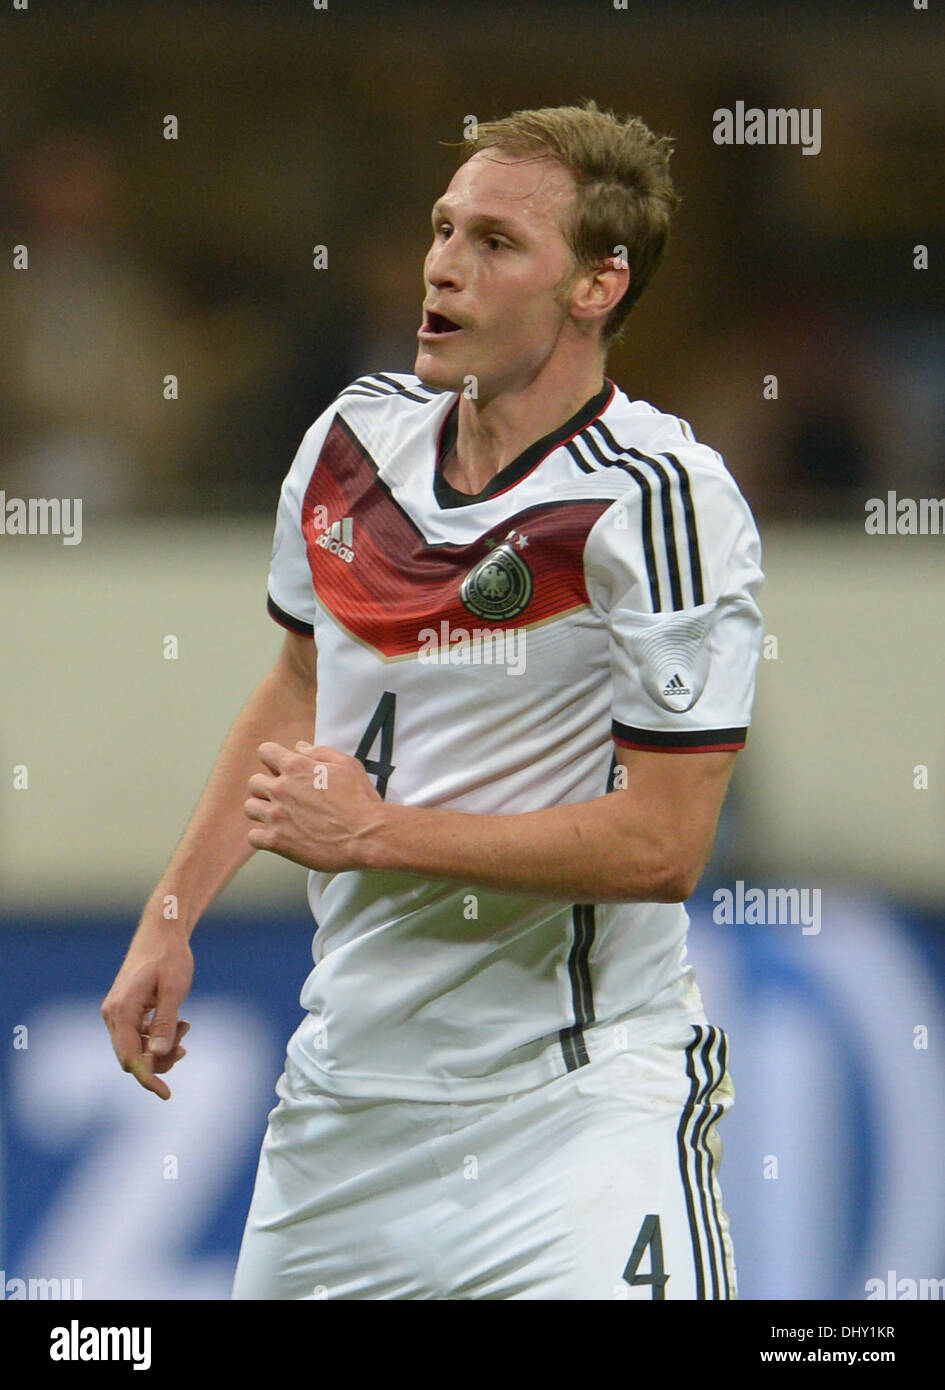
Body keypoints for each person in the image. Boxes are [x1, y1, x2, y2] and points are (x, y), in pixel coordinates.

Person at [101, 99, 764, 1300]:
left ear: (596, 286)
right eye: (444, 227)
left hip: (577, 1104)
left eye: (497, 243)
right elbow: (304, 682)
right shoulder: (353, 439)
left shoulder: (661, 499)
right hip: (347, 1109)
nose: (444, 266)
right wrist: (169, 917)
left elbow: (667, 846)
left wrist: (375, 835)